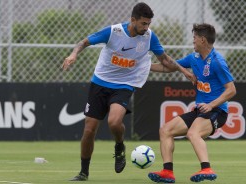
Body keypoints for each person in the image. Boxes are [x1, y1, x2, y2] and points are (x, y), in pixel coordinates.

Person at [62, 2, 196, 181]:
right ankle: (83, 172)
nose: (146, 27)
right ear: (133, 20)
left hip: (125, 85)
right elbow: (84, 42)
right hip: (100, 82)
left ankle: (119, 146)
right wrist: (73, 54)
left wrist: (183, 70)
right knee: (89, 129)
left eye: (148, 24)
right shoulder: (113, 32)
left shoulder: (149, 37)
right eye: (143, 23)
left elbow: (164, 59)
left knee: (114, 122)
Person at [148, 23, 236, 183]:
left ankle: (207, 169)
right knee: (166, 130)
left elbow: (231, 90)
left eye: (195, 38)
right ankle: (167, 172)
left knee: (193, 133)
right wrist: (144, 66)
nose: (193, 41)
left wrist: (211, 105)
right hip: (200, 110)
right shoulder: (193, 58)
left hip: (217, 111)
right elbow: (169, 67)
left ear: (203, 40)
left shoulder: (217, 62)